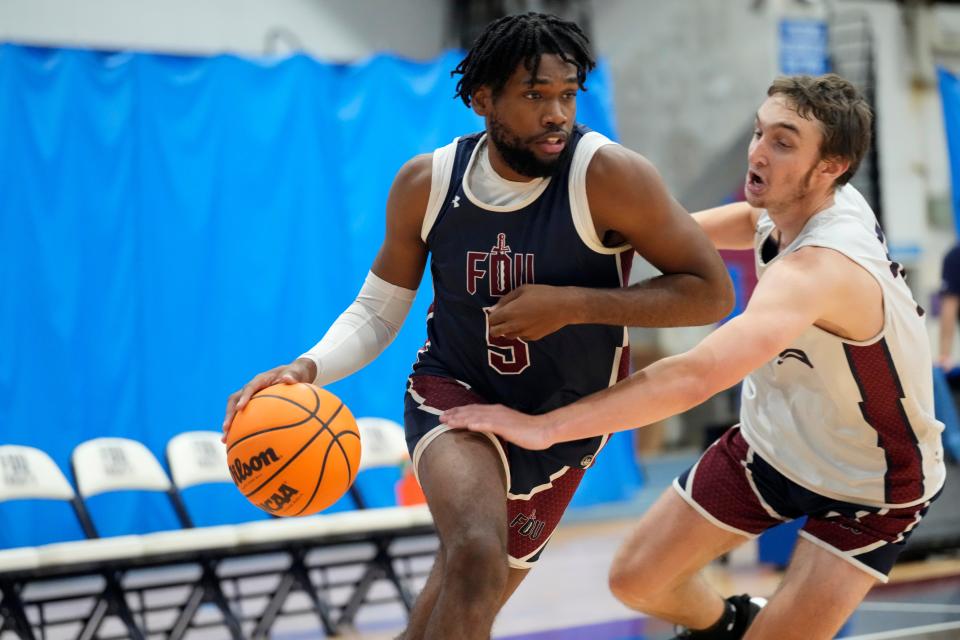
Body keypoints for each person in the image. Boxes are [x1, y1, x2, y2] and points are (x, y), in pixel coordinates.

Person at [221, 11, 733, 640]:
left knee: (464, 598)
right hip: (455, 392)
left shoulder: (608, 175)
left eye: (567, 95)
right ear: (482, 99)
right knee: (474, 554)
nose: (557, 115)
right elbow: (379, 310)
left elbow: (709, 293)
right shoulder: (427, 183)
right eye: (535, 96)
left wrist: (574, 303)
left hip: (566, 420)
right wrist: (306, 368)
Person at [442, 73, 947, 640]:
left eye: (783, 141)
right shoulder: (803, 201)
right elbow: (748, 222)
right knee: (637, 580)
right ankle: (729, 624)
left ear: (830, 166)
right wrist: (631, 241)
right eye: (759, 132)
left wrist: (545, 428)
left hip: (871, 483)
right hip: (775, 446)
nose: (758, 151)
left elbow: (694, 376)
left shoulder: (820, 269)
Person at [938, 243, 960, 370]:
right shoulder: (955, 257)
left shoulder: (955, 256)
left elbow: (949, 309)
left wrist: (945, 355)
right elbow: (949, 309)